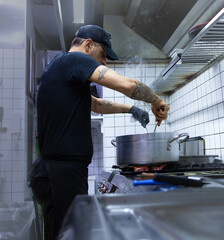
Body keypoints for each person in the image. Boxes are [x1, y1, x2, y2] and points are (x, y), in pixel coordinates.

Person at [29, 25, 169, 240]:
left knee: (62, 234)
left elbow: (95, 104)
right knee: (70, 235)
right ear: (88, 45)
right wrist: (157, 100)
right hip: (61, 173)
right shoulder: (74, 60)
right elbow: (127, 85)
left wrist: (131, 109)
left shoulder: (63, 68)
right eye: (103, 55)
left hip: (57, 171)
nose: (104, 62)